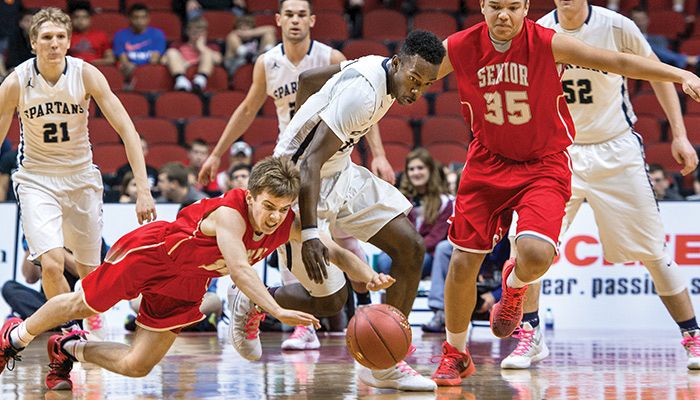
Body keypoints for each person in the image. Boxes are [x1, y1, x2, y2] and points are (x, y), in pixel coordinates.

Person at [430, 0, 700, 386]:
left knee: (626, 251)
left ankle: (691, 333)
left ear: (523, 7)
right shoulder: (469, 42)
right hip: (507, 156)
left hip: (575, 154)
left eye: (511, 6)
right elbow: (416, 74)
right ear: (482, 6)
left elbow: (621, 63)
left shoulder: (568, 36)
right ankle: (488, 345)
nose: (503, 15)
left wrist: (679, 81)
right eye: (494, 6)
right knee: (485, 256)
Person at [0, 157, 341, 390]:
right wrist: (277, 309)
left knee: (137, 365)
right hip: (154, 253)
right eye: (268, 207)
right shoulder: (230, 215)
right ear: (251, 198)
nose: (274, 217)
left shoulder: (284, 222)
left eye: (282, 210)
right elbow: (238, 269)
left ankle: (67, 347)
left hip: (187, 284)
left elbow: (328, 246)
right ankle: (15, 337)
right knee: (84, 305)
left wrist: (363, 273)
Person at [197, 0, 397, 353]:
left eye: (301, 14)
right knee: (297, 237)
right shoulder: (268, 63)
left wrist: (378, 154)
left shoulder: (330, 57)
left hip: (336, 158)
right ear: (277, 20)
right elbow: (247, 108)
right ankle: (302, 324)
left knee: (341, 242)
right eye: (288, 14)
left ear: (312, 20)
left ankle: (366, 307)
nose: (294, 20)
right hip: (292, 160)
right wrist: (216, 152)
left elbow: (366, 106)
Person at [252, 29, 444, 391]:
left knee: (410, 247)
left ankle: (386, 363)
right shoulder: (364, 96)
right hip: (298, 181)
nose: (416, 91)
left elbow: (309, 79)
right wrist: (309, 235)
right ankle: (251, 299)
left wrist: (308, 115)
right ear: (398, 63)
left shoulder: (375, 63)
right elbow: (308, 164)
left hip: (340, 170)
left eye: (425, 85)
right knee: (332, 303)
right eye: (414, 80)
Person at [0, 7, 156, 345]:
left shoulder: (86, 75)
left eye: (60, 37)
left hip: (81, 178)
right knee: (52, 264)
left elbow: (127, 129)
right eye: (46, 38)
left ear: (69, 42)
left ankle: (87, 316)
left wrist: (143, 188)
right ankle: (68, 335)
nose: (54, 44)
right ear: (33, 43)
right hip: (35, 178)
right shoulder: (15, 82)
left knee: (90, 273)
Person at [375, 147, 452, 280]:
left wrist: (412, 248)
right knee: (384, 261)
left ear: (430, 170)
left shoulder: (444, 202)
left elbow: (436, 237)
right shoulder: (399, 198)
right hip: (400, 250)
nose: (416, 173)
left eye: (420, 168)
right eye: (411, 169)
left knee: (416, 262)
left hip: (425, 253)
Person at [162, 16, 223, 92]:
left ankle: (200, 81)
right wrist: (182, 63)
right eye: (194, 32)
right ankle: (181, 80)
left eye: (201, 32)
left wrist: (202, 47)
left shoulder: (211, 46)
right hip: (182, 73)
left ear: (206, 33)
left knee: (207, 54)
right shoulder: (177, 45)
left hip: (203, 79)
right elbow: (164, 60)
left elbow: (218, 60)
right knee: (171, 52)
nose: (198, 35)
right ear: (188, 32)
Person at [629, 7, 698, 72]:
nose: (640, 23)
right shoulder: (627, 40)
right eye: (636, 20)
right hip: (640, 64)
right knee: (645, 45)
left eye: (642, 19)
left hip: (659, 64)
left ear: (648, 20)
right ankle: (686, 59)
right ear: (629, 22)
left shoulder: (659, 38)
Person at [112, 4, 166, 79]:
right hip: (128, 73)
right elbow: (124, 61)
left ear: (148, 18)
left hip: (149, 73)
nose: (140, 21)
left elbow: (154, 60)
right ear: (129, 18)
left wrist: (137, 68)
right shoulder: (120, 35)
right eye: (136, 17)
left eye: (143, 17)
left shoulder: (157, 34)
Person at [68, 1, 115, 66]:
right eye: (76, 17)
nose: (80, 20)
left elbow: (110, 60)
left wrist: (90, 64)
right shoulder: (66, 36)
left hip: (96, 70)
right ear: (71, 19)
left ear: (90, 19)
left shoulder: (101, 36)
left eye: (84, 17)